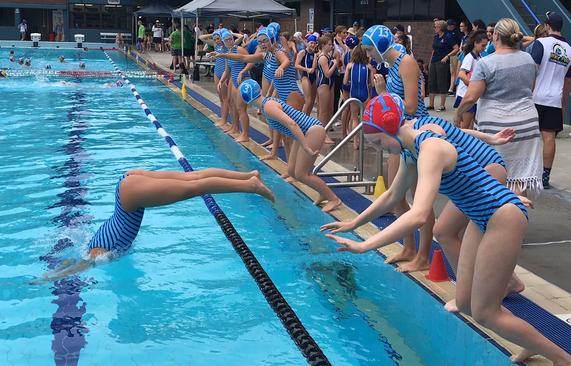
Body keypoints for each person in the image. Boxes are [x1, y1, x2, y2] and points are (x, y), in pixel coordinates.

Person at [322, 95, 571, 366]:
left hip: (503, 217)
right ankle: (526, 341)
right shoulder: (412, 150)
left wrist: (365, 245)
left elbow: (420, 214)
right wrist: (354, 224)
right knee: (467, 302)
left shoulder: (429, 148)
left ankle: (565, 360)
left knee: (484, 313)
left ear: (391, 131)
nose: (380, 149)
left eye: (377, 142)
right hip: (482, 217)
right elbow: (392, 196)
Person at [36, 168, 274, 282]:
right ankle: (247, 175)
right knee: (192, 178)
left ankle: (251, 186)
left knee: (194, 187)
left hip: (131, 199)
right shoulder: (94, 244)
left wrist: (50, 278)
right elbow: (75, 262)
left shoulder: (98, 254)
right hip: (127, 185)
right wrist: (55, 272)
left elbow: (80, 266)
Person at [362, 25, 432, 271]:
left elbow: (411, 106)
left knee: (420, 200)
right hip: (400, 137)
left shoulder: (407, 63)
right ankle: (409, 246)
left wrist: (383, 93)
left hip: (417, 137)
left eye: (370, 50)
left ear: (380, 46)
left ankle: (423, 255)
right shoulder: (392, 67)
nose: (369, 55)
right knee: (396, 196)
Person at [458, 18, 543, 196]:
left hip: (495, 126)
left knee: (494, 174)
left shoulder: (486, 63)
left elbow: (472, 96)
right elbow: (531, 88)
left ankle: (498, 219)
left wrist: (458, 113)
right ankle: (518, 218)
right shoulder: (528, 59)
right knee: (519, 178)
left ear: (495, 36)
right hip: (527, 123)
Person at [239, 79, 342, 212]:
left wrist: (305, 146)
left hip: (312, 131)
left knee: (301, 174)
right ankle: (322, 193)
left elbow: (291, 124)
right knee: (292, 171)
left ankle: (334, 199)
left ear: (246, 99)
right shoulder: (266, 104)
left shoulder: (268, 107)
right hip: (303, 133)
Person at [528, 12, 571, 189]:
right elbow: (568, 81)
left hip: (535, 97)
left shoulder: (541, 43)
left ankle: (527, 170)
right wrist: (563, 103)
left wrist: (527, 94)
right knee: (549, 138)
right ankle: (545, 176)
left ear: (547, 26)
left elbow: (533, 71)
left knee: (528, 136)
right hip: (554, 99)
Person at [217, 29, 251, 142]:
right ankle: (235, 127)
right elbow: (227, 70)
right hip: (235, 80)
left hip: (243, 80)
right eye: (226, 40)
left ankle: (245, 135)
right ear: (224, 42)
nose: (229, 41)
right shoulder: (228, 52)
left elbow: (251, 61)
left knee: (241, 108)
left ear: (233, 39)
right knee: (232, 104)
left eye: (230, 39)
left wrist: (242, 71)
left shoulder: (239, 49)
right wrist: (221, 81)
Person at [454, 30, 488, 129]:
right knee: (464, 127)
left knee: (470, 126)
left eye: (485, 45)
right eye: (483, 45)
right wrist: (472, 85)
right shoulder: (470, 57)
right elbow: (461, 74)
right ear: (475, 43)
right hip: (466, 95)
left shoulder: (479, 57)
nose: (485, 48)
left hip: (472, 96)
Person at [343, 41, 372, 149]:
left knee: (354, 118)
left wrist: (352, 82)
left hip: (354, 93)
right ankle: (364, 143)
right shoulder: (368, 66)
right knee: (364, 119)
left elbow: (345, 82)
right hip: (365, 94)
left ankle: (355, 143)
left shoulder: (350, 66)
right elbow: (372, 83)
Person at [200, 30, 230, 127]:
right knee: (221, 98)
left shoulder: (227, 45)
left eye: (218, 38)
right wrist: (213, 34)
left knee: (225, 98)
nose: (217, 40)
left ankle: (224, 120)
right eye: (215, 39)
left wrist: (228, 33)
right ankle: (223, 118)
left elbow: (240, 38)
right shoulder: (215, 45)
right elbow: (201, 37)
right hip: (217, 72)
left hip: (225, 73)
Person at [428, 20, 459, 112]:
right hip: (434, 60)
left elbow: (456, 48)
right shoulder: (436, 37)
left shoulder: (448, 37)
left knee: (441, 81)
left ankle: (442, 105)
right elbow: (433, 50)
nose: (434, 28)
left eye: (436, 26)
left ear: (441, 27)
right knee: (431, 81)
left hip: (442, 61)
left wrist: (447, 56)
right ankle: (431, 104)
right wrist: (430, 61)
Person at [295, 34, 319, 115]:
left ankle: (307, 118)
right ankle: (302, 118)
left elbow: (314, 68)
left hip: (314, 78)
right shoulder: (303, 52)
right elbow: (296, 65)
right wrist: (306, 69)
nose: (313, 45)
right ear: (307, 43)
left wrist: (316, 55)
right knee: (308, 100)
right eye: (311, 43)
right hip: (305, 77)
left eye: (315, 43)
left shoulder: (316, 54)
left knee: (312, 100)